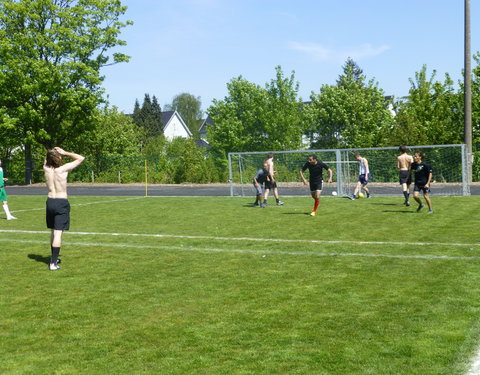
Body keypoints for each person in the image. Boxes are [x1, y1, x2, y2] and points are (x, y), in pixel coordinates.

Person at [44, 147, 85, 271]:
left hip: (50, 201)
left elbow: (46, 159)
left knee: (53, 231)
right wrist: (65, 152)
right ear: (58, 157)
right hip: (61, 202)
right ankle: (53, 264)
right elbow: (81, 158)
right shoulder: (63, 169)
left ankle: (54, 258)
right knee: (58, 233)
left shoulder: (46, 168)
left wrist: (53, 153)